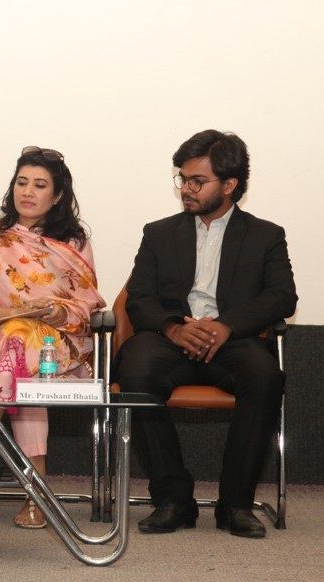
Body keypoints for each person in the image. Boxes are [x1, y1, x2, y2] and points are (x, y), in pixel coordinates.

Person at [115, 130, 297, 538]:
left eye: (197, 181)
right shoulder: (159, 233)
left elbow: (282, 296)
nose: (186, 189)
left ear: (229, 185)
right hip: (170, 340)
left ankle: (235, 505)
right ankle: (173, 499)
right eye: (182, 179)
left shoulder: (266, 235)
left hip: (233, 341)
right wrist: (173, 327)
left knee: (265, 377)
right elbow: (139, 298)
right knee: (136, 369)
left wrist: (226, 325)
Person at [0, 146, 105, 528]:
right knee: (17, 349)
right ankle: (37, 494)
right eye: (21, 182)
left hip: (60, 352)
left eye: (40, 185)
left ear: (58, 195)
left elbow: (86, 305)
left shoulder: (73, 243)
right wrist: (14, 315)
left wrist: (57, 311)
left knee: (21, 346)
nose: (27, 192)